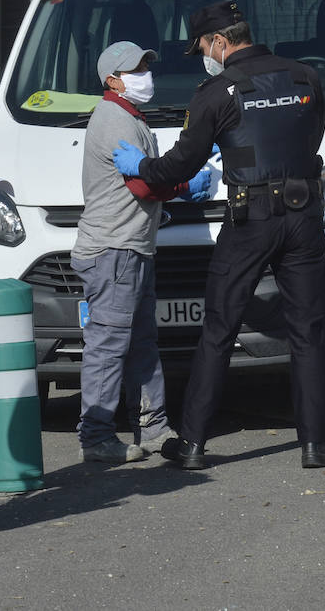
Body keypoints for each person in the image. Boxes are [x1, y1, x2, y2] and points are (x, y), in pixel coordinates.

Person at [111, 0, 325, 470]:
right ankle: (315, 444)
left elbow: (181, 163)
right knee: (308, 332)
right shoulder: (304, 78)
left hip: (250, 219)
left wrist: (143, 168)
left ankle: (191, 444)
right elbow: (311, 138)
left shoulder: (217, 92)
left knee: (218, 330)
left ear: (219, 41)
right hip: (304, 213)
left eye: (204, 48)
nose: (205, 57)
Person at [73, 41, 215, 464]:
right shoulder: (116, 119)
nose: (145, 75)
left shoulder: (130, 116)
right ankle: (96, 437)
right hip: (114, 251)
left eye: (146, 66)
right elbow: (144, 186)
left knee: (140, 343)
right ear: (113, 80)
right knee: (109, 344)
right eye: (136, 69)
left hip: (131, 248)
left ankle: (153, 428)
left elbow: (149, 182)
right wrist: (186, 185)